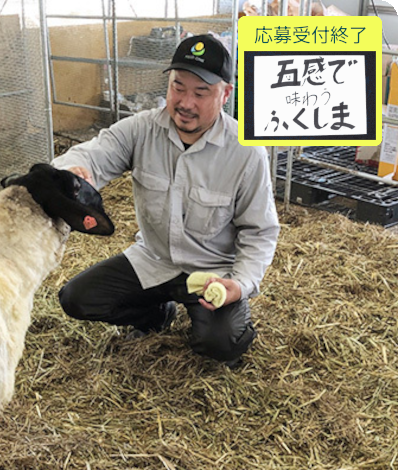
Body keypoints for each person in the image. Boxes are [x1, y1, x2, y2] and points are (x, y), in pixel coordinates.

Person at [53, 34, 280, 369]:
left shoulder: (246, 153)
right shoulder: (142, 129)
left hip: (212, 273)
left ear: (225, 94)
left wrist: (239, 285)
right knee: (77, 299)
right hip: (153, 260)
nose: (185, 102)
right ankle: (157, 313)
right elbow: (96, 154)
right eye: (178, 87)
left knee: (222, 343)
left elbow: (259, 232)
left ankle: (223, 322)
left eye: (200, 92)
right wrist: (69, 175)